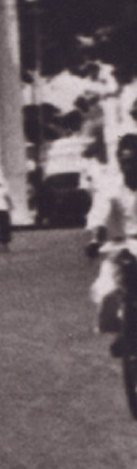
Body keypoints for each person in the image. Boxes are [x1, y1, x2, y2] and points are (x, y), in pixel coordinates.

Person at [88, 134, 137, 345]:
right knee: (107, 291)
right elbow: (100, 213)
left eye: (132, 161)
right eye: (124, 161)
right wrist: (95, 239)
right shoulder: (111, 186)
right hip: (120, 245)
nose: (128, 166)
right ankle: (121, 328)